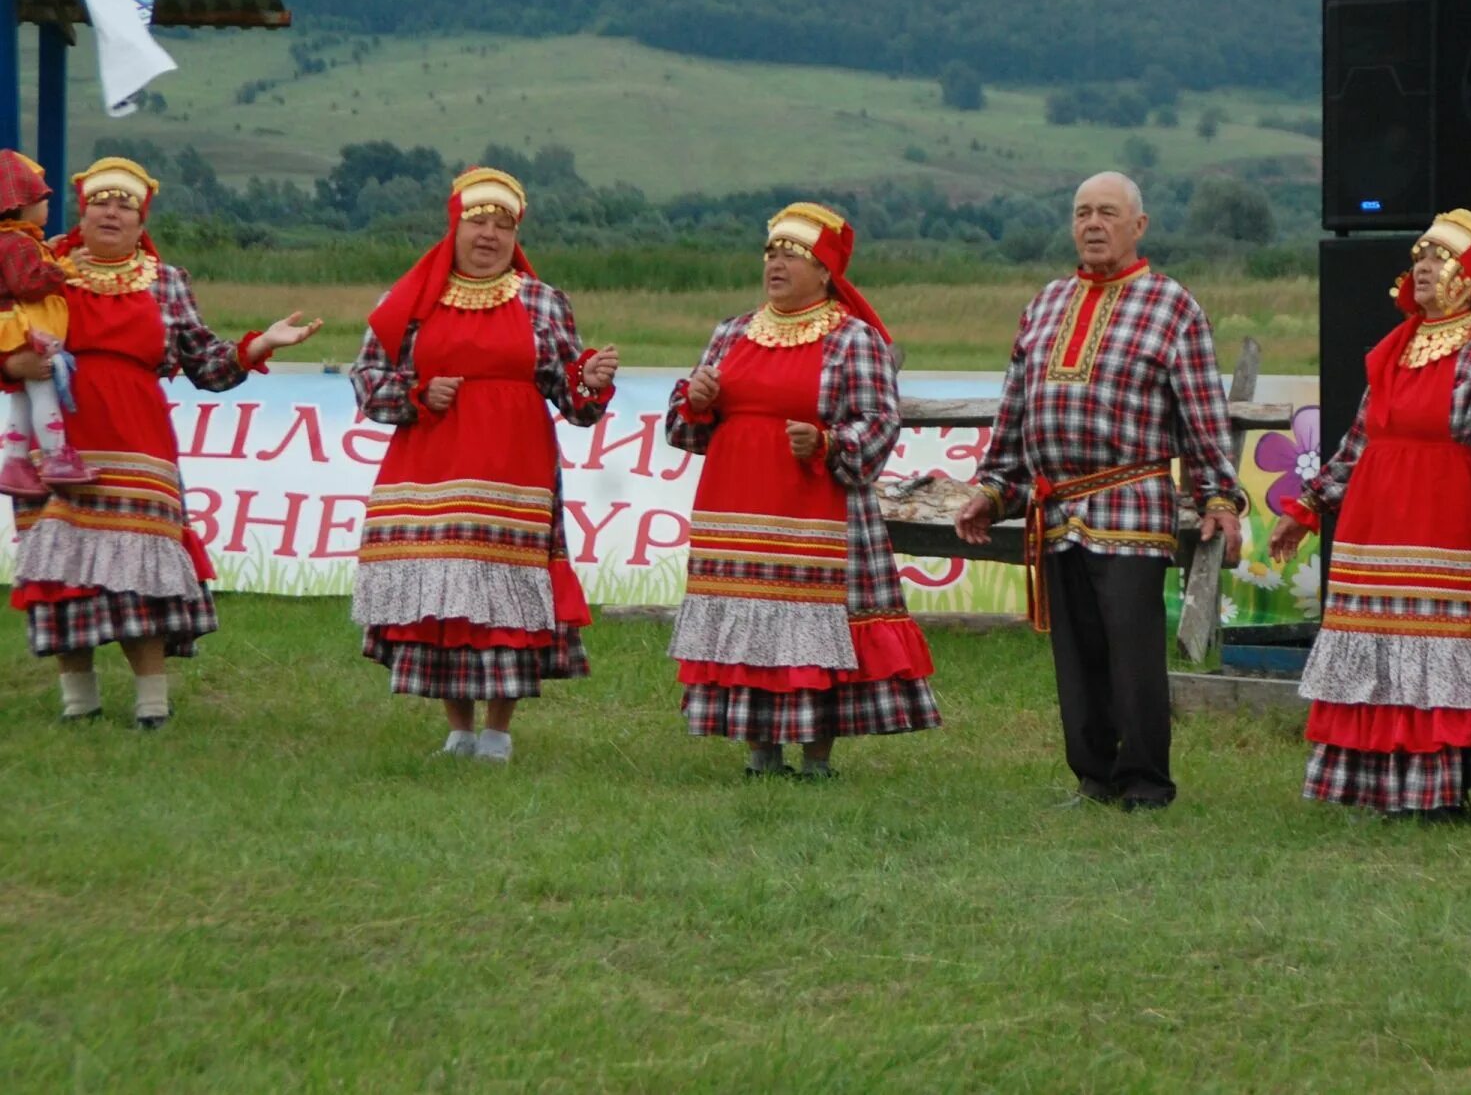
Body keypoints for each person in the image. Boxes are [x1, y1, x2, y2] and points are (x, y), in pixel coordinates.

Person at [955, 171, 1244, 810]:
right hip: (1056, 507)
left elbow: (1201, 413)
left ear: (1138, 226)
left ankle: (1144, 784)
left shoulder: (1173, 307)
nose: (1093, 224)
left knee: (1130, 648)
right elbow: (1015, 409)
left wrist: (1220, 497)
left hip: (1132, 501)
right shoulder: (1046, 303)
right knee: (1077, 651)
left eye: (1108, 213)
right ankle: (1093, 778)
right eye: (1083, 212)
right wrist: (996, 489)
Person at [4, 157, 319, 726]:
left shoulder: (166, 281)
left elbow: (208, 366)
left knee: (140, 575)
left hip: (138, 441)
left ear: (140, 217)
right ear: (83, 207)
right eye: (101, 200)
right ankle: (79, 702)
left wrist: (259, 345)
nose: (111, 211)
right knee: (60, 572)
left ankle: (153, 703)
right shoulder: (43, 266)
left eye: (125, 203)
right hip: (56, 442)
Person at [1272, 209, 1471, 815]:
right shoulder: (1399, 345)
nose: (1422, 269)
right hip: (1377, 524)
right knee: (1380, 650)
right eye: (1419, 259)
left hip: (1443, 522)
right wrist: (1308, 505)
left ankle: (1435, 790)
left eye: (1437, 259)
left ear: (1467, 275)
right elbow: (1360, 439)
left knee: (1438, 650)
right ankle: (1378, 782)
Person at [350, 168, 618, 763]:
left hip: (513, 464)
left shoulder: (543, 301)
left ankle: (498, 731)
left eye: (504, 225)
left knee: (506, 596)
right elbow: (368, 381)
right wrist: (417, 397)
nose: (490, 235)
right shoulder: (411, 299)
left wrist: (591, 381)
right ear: (455, 226)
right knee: (448, 592)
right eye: (479, 221)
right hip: (431, 461)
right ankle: (458, 729)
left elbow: (571, 396)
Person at [666, 202, 939, 778]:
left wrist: (825, 444)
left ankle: (816, 755)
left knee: (815, 628)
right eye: (772, 252)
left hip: (817, 509)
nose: (778, 263)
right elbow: (684, 428)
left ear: (824, 271)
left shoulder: (853, 339)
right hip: (737, 507)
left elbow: (878, 421)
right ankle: (759, 749)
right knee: (750, 620)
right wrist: (697, 399)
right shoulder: (732, 332)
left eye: (794, 253)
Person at [0, 149, 91, 495]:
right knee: (43, 389)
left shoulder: (17, 241)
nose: (47, 207)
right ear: (23, 204)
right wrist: (64, 268)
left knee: (23, 398)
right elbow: (28, 282)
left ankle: (15, 460)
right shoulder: (18, 244)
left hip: (12, 330)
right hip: (25, 331)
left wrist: (48, 252)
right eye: (43, 199)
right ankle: (55, 455)